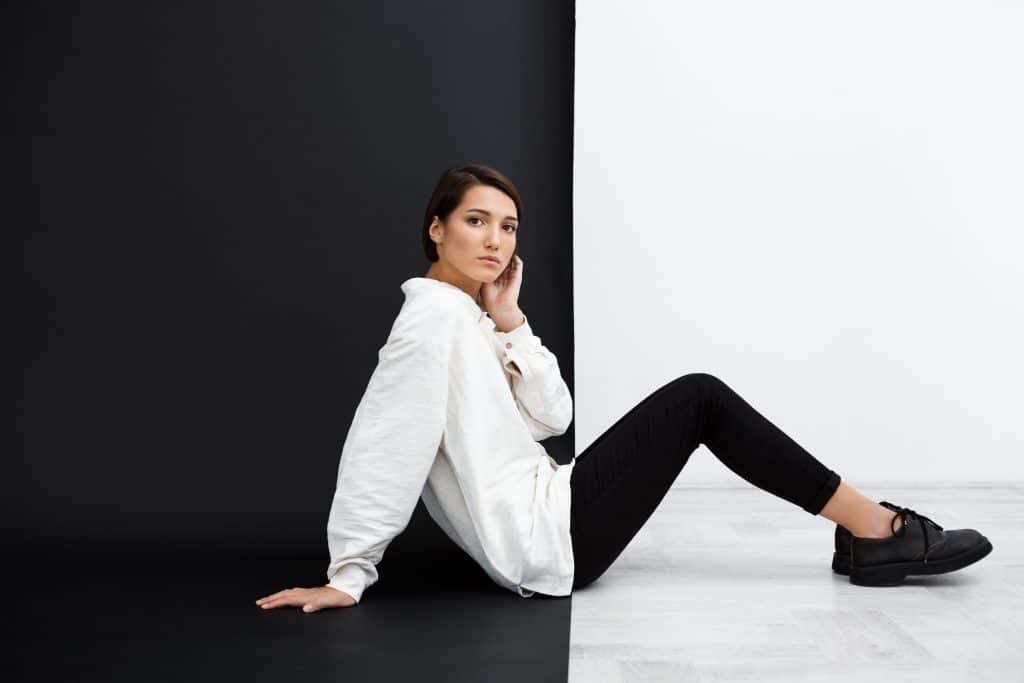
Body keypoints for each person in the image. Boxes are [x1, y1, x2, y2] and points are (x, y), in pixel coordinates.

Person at [255, 164, 992, 614]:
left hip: (553, 509)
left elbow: (553, 417)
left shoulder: (471, 318)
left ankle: (868, 531)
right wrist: (349, 572)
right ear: (435, 229)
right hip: (546, 539)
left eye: (508, 226)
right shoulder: (430, 323)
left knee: (699, 397)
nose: (495, 241)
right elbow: (384, 444)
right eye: (475, 221)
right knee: (699, 396)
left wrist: (511, 324)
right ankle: (877, 531)